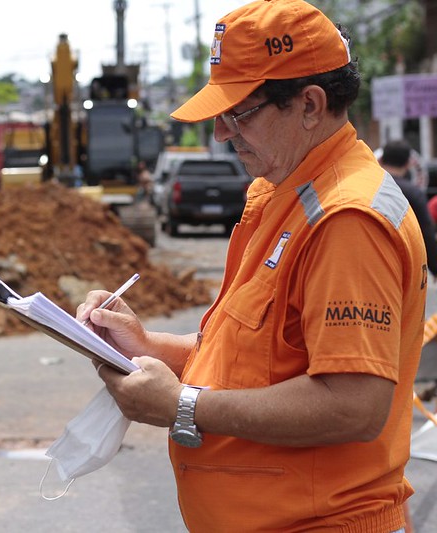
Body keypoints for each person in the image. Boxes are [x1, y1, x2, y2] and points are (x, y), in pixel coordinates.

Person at [77, 1, 426, 531]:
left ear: (310, 105)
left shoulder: (345, 219)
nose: (221, 133)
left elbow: (354, 405)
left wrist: (183, 405)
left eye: (238, 112)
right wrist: (149, 348)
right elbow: (256, 360)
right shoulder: (285, 195)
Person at [380, 139, 437, 277]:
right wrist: (435, 267)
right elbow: (426, 231)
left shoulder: (367, 186)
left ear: (381, 160)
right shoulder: (413, 193)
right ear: (407, 163)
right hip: (403, 264)